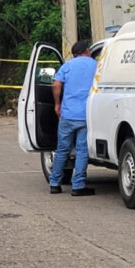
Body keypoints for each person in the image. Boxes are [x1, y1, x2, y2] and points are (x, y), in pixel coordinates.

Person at [48, 40, 97, 196]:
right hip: (86, 115)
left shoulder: (67, 66)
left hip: (67, 114)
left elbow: (56, 85)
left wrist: (57, 104)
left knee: (62, 149)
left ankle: (54, 183)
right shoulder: (96, 65)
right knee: (82, 151)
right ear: (88, 51)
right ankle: (78, 186)